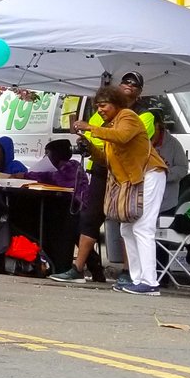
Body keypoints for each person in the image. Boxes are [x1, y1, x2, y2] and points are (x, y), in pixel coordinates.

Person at [71, 85, 167, 295]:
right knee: (126, 229)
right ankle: (136, 278)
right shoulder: (111, 126)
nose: (100, 110)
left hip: (150, 174)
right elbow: (107, 160)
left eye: (103, 105)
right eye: (97, 106)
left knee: (143, 227)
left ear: (115, 104)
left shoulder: (128, 117)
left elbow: (122, 137)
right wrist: (90, 148)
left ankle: (149, 282)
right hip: (136, 179)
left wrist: (90, 128)